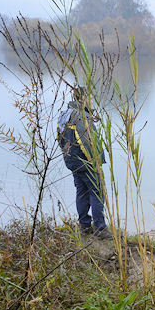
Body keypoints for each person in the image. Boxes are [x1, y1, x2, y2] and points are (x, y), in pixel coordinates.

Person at [57, 88, 111, 239]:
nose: (92, 101)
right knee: (96, 192)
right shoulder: (81, 117)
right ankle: (100, 228)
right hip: (86, 163)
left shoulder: (65, 115)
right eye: (90, 99)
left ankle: (84, 225)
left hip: (73, 163)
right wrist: (96, 162)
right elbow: (87, 142)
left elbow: (60, 140)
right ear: (83, 99)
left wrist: (68, 157)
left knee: (81, 192)